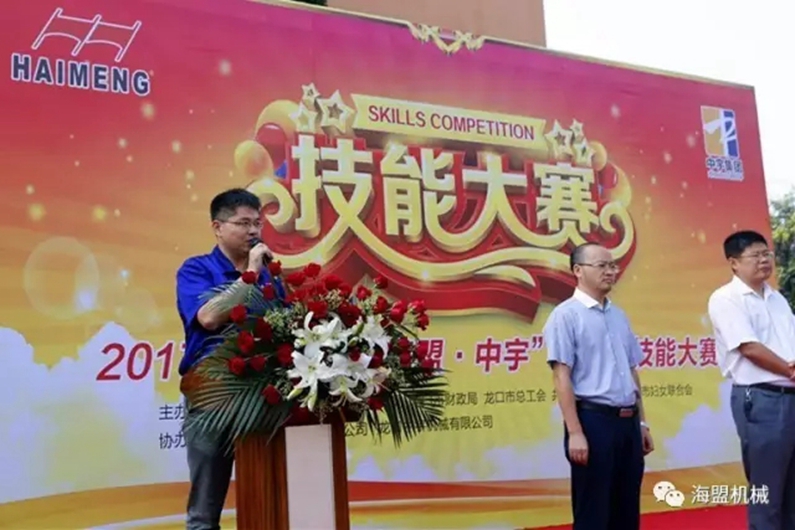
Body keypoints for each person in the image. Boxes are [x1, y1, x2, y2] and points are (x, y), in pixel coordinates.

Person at [176, 188, 283, 530]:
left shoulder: (270, 275)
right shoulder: (196, 269)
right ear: (218, 227)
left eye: (257, 223)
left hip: (265, 394)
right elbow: (208, 317)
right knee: (204, 514)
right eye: (243, 223)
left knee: (272, 502)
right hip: (213, 393)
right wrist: (249, 275)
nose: (253, 231)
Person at [543, 242, 654, 530]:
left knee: (626, 510)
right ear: (578, 270)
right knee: (593, 511)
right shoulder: (565, 316)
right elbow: (561, 377)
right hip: (593, 422)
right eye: (602, 265)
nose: (610, 271)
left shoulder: (618, 315)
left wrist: (642, 423)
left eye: (612, 265)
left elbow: (631, 371)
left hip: (628, 423)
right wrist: (575, 432)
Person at [707, 230, 795, 530]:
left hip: (790, 397)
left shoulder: (776, 298)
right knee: (767, 489)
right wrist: (791, 371)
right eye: (755, 255)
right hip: (762, 399)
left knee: (791, 491)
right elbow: (749, 348)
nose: (764, 260)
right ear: (734, 262)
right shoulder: (726, 299)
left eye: (766, 254)